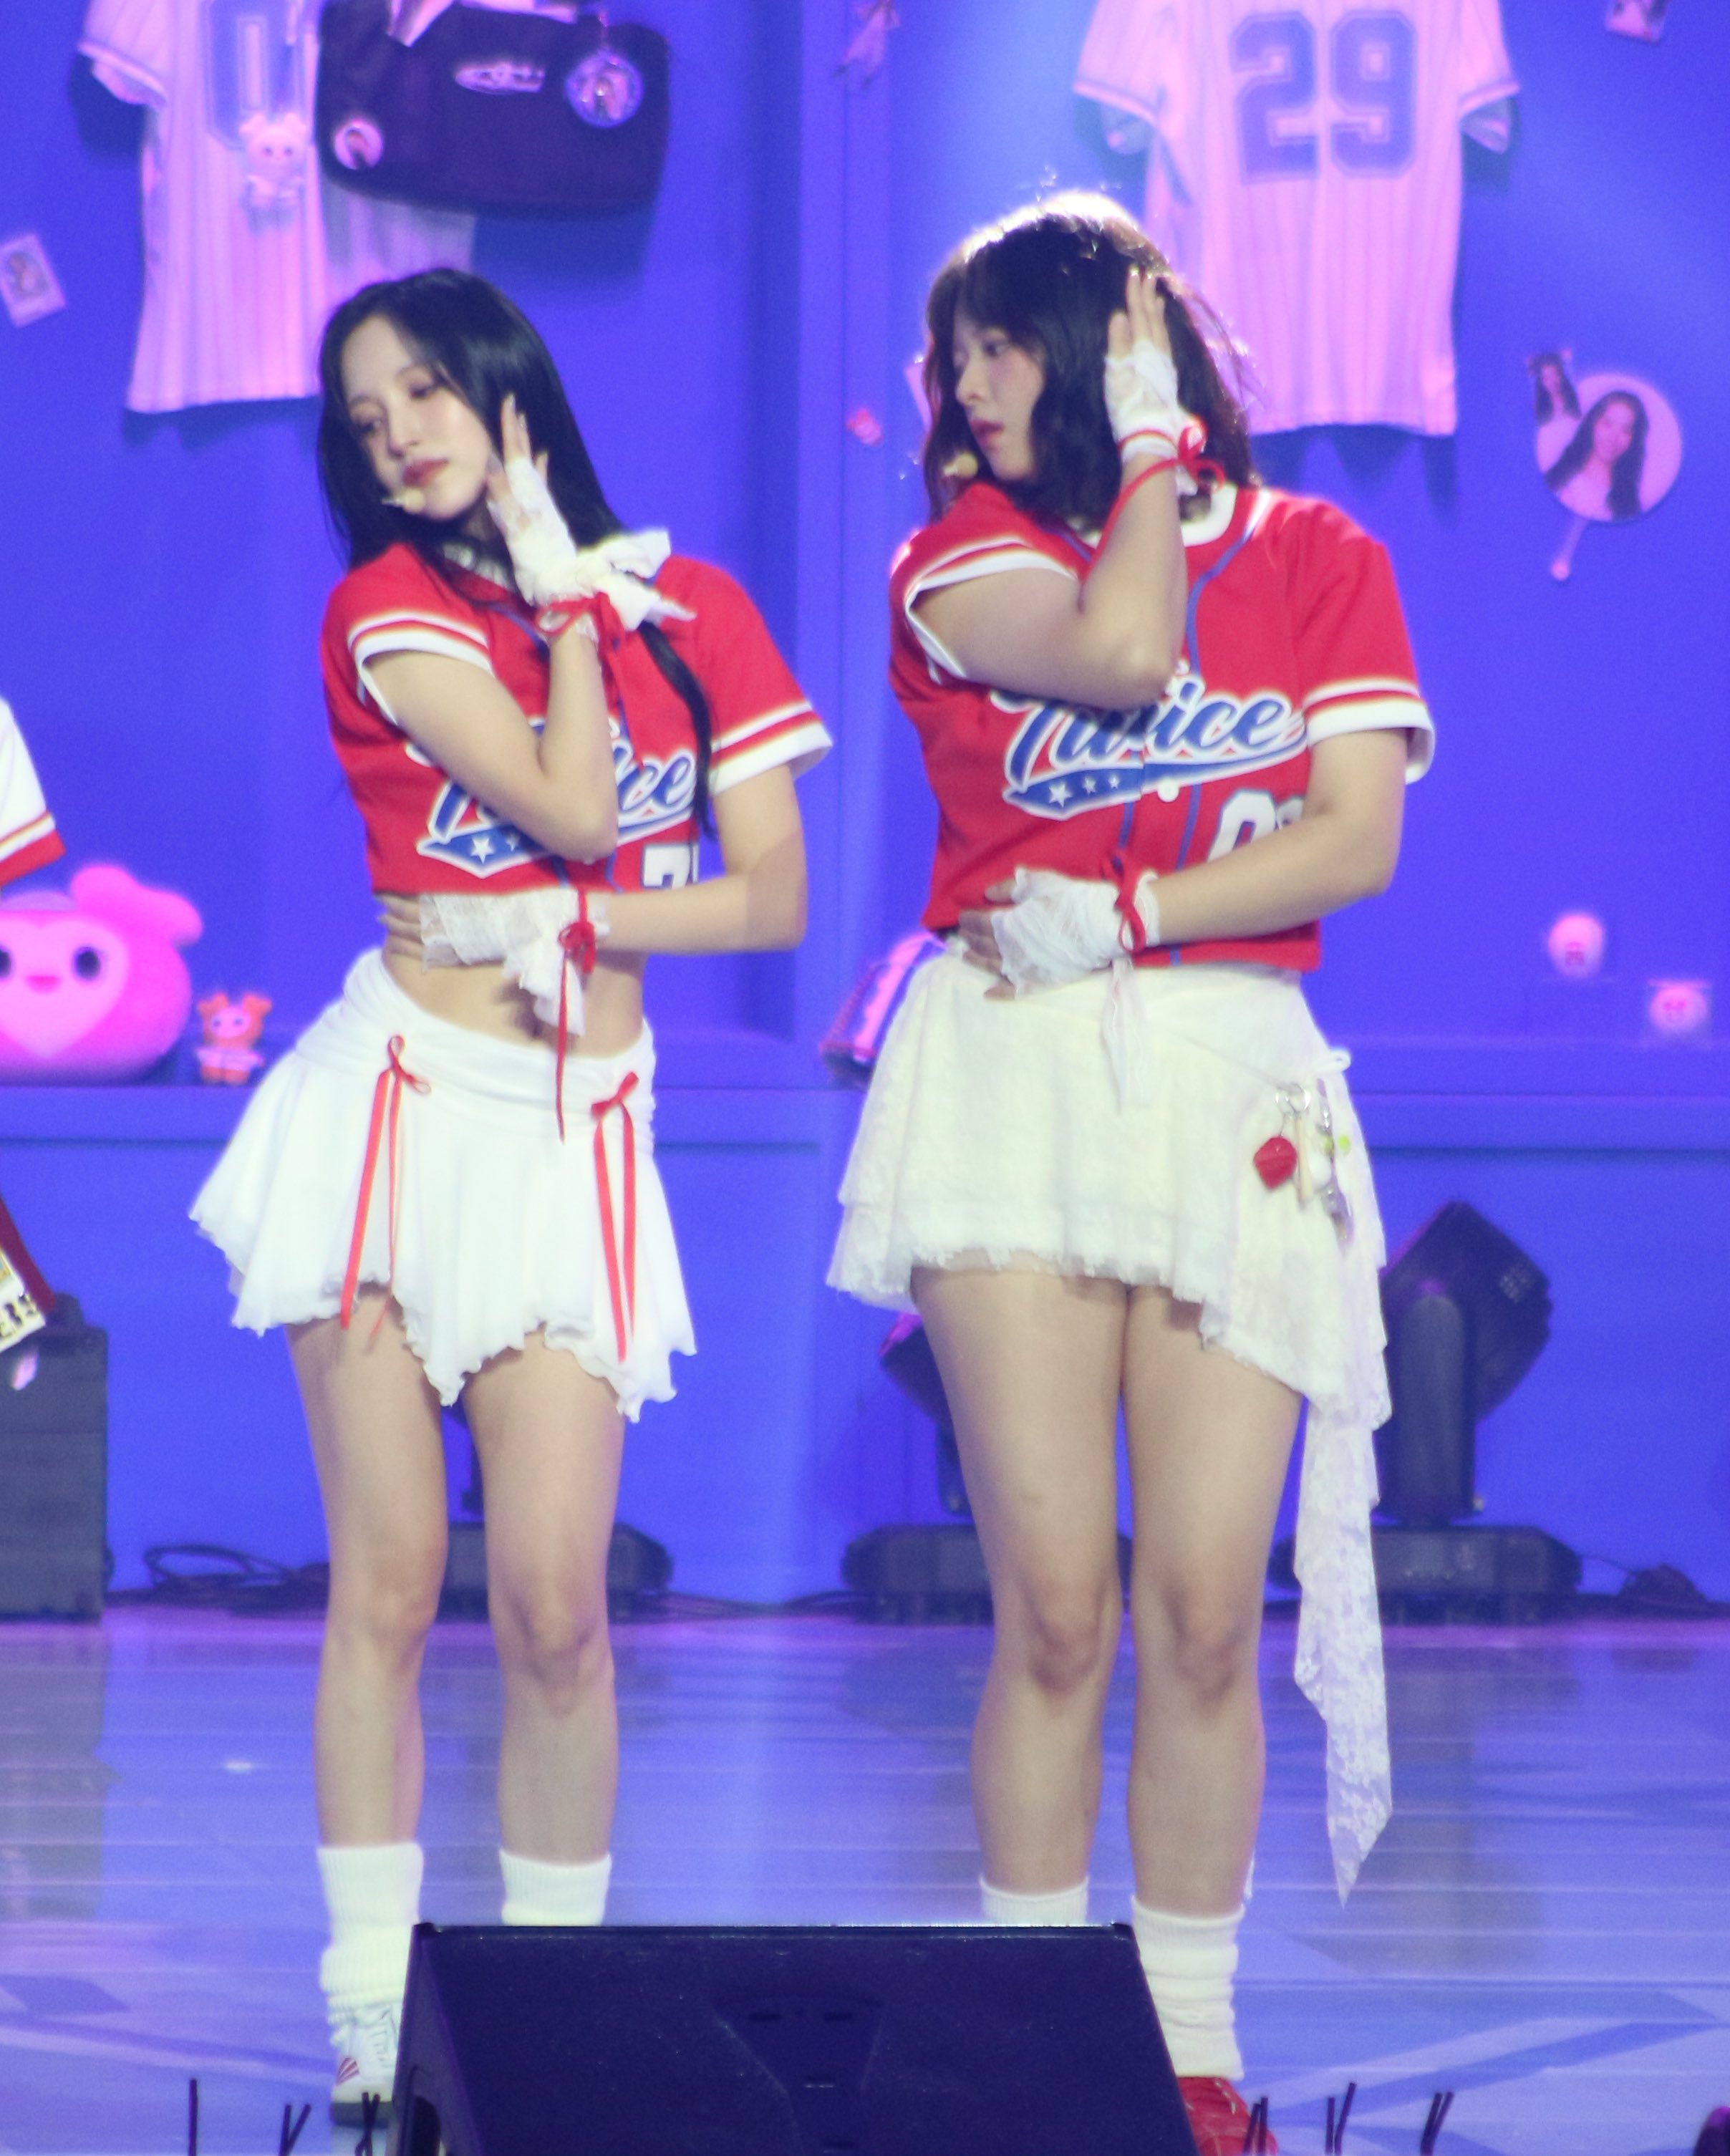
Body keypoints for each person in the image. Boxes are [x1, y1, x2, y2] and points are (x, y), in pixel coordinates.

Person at [829, 195, 1431, 2156]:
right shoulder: (960, 556)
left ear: (1114, 347)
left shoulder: (1324, 556)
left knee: (1199, 1610)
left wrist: (1149, 911)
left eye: (1002, 347)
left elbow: (1352, 843)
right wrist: (1154, 460)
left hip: (1223, 1070)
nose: (966, 389)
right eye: (955, 358)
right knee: (1058, 1611)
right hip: (1011, 1067)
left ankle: (1186, 2054)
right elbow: (1126, 645)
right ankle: (1029, 2041)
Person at [192, 269, 828, 2118]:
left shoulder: (695, 612)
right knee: (390, 1580)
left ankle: (554, 2014)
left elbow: (771, 893)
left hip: (572, 1127)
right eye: (362, 416)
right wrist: (557, 619)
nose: (396, 434)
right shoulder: (385, 607)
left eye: (421, 391)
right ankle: (369, 2011)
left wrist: (592, 925)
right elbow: (574, 803)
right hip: (397, 1111)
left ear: (505, 385)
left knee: (556, 1602)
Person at [1544, 390, 1648, 522]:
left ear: (1634, 440)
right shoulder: (1557, 479)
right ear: (1593, 424)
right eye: (1608, 424)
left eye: (1625, 431)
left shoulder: (1627, 508)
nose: (1613, 438)